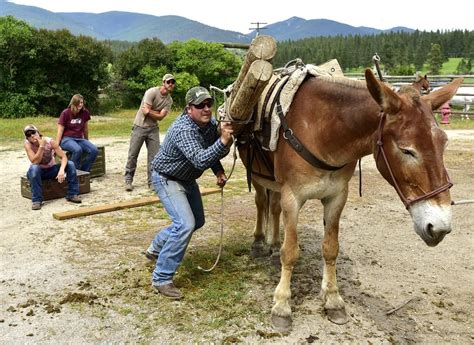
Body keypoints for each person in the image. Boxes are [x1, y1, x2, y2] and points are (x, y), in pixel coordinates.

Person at [144, 86, 234, 299]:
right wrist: (223, 141)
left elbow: (209, 149)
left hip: (186, 178)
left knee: (197, 222)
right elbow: (200, 158)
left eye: (208, 104)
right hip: (166, 178)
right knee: (185, 225)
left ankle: (155, 247)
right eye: (199, 105)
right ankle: (162, 278)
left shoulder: (209, 124)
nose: (205, 109)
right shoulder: (183, 129)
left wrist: (219, 170)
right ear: (188, 109)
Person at [124, 73, 175, 191]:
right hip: (140, 126)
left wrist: (151, 112)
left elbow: (159, 117)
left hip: (153, 129)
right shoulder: (151, 92)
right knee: (133, 154)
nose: (171, 84)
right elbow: (144, 112)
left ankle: (152, 182)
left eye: (173, 82)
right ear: (163, 82)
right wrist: (156, 113)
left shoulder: (169, 100)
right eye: (169, 82)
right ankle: (128, 180)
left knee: (154, 157)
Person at [24, 125, 82, 210]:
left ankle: (72, 194)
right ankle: (37, 200)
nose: (32, 135)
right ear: (27, 138)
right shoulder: (27, 144)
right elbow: (35, 162)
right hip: (38, 172)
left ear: (38, 133)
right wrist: (41, 147)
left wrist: (61, 170)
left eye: (33, 132)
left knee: (70, 164)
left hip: (51, 169)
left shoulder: (50, 141)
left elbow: (63, 157)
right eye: (28, 135)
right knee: (34, 168)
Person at [56, 94, 98, 172]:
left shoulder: (85, 112)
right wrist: (56, 146)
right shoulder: (65, 113)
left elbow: (85, 129)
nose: (80, 104)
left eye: (82, 102)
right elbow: (60, 131)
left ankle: (84, 172)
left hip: (79, 138)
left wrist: (86, 141)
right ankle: (73, 172)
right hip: (66, 139)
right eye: (78, 103)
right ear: (73, 103)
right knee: (77, 150)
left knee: (94, 150)